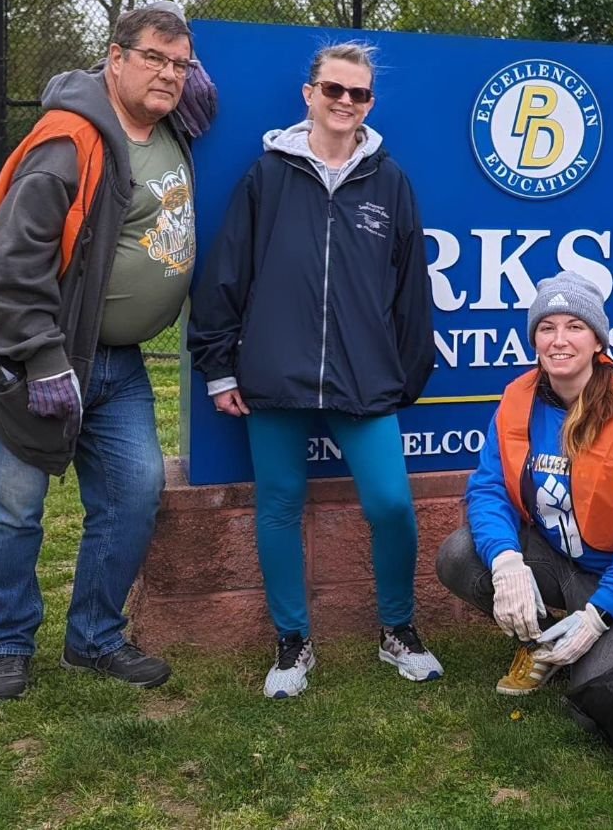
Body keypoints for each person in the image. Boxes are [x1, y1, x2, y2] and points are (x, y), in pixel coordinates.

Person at [0, 3, 200, 701]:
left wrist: (182, 87)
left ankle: (93, 638)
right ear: (114, 58)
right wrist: (40, 359)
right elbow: (7, 270)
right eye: (153, 57)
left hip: (114, 361)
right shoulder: (68, 143)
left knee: (134, 491)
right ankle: (5, 645)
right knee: (13, 506)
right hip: (28, 355)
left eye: (180, 64)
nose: (168, 74)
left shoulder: (175, 125)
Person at [188, 41, 439, 699]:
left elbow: (411, 289)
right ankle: (293, 644)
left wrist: (408, 373)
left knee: (391, 504)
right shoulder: (266, 176)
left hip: (363, 381)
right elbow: (226, 277)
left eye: (358, 94)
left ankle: (398, 631)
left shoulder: (389, 182)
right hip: (274, 375)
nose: (345, 103)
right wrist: (219, 368)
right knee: (278, 505)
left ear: (370, 104)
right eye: (334, 90)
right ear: (310, 94)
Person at [436, 271, 613, 695]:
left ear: (598, 341)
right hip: (566, 560)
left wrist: (599, 614)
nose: (559, 340)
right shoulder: (518, 398)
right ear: (534, 340)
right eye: (547, 328)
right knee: (459, 555)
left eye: (575, 327)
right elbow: (488, 488)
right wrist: (506, 563)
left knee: (595, 690)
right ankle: (541, 640)